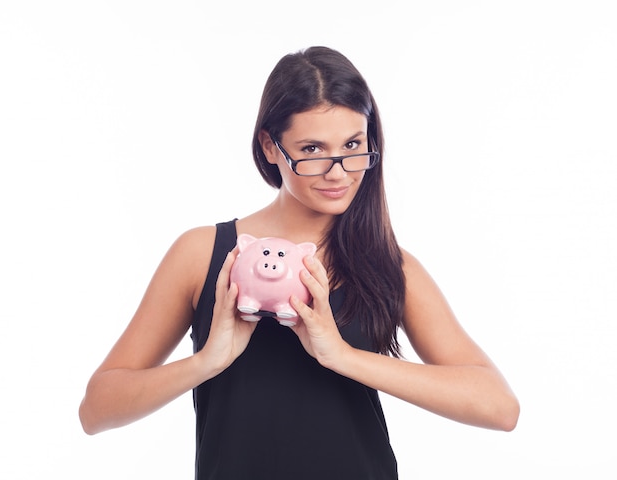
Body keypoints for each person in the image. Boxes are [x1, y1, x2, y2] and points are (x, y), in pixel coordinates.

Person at [79, 46, 519, 479]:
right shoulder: (204, 253)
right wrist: (207, 361)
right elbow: (96, 410)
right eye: (312, 149)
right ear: (271, 147)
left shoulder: (390, 265)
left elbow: (499, 407)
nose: (339, 172)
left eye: (352, 144)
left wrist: (341, 355)